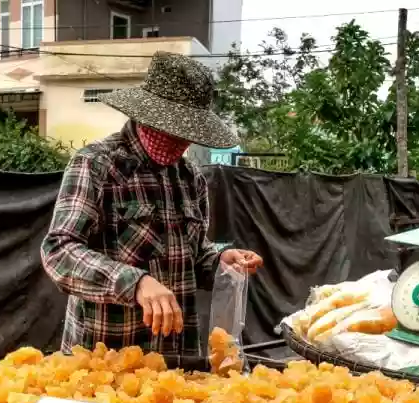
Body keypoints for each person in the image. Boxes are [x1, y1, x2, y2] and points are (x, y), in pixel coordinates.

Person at [41, 51, 262, 356]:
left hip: (173, 359)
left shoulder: (189, 177)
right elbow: (58, 252)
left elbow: (192, 257)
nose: (176, 139)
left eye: (186, 132)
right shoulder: (98, 164)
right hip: (103, 363)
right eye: (168, 126)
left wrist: (220, 261)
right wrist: (135, 283)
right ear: (145, 114)